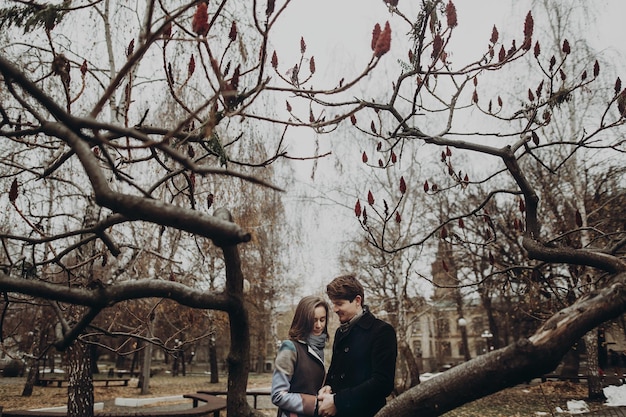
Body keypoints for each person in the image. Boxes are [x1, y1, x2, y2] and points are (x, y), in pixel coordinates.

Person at [317, 274, 397, 417]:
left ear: (357, 301)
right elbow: (335, 370)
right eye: (333, 303)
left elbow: (383, 383)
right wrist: (328, 386)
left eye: (339, 304)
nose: (334, 309)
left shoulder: (382, 331)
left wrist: (338, 401)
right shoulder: (340, 332)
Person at [272, 295, 330, 417]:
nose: (319, 325)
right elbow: (277, 395)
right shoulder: (290, 347)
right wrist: (315, 405)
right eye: (314, 320)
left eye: (322, 320)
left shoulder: (326, 350)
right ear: (304, 320)